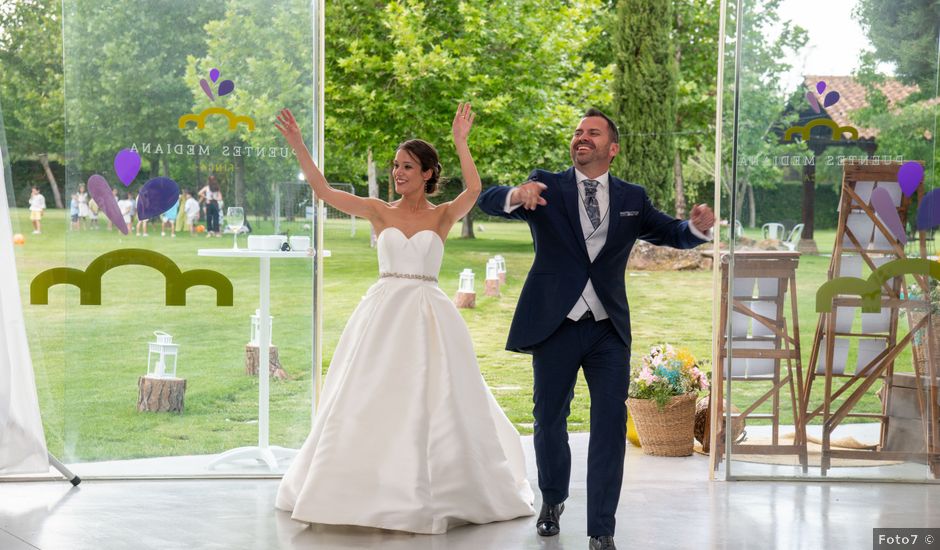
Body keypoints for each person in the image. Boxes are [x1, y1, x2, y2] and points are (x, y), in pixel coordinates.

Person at [273, 103, 535, 534]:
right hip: (382, 314)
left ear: (428, 173)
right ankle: (356, 485)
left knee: (434, 395)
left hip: (429, 315)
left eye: (407, 166)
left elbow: (473, 188)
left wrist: (461, 142)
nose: (398, 172)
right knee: (367, 393)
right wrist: (299, 145)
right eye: (396, 165)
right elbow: (322, 190)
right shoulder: (380, 210)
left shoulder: (442, 214)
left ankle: (434, 486)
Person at [477, 108, 715, 550]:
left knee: (609, 425)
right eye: (577, 132)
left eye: (593, 133)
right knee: (550, 418)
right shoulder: (546, 186)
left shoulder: (632, 197)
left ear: (612, 148)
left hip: (607, 329)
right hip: (556, 324)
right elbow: (486, 199)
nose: (581, 137)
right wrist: (516, 193)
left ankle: (602, 528)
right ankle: (552, 500)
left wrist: (696, 229)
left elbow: (671, 232)